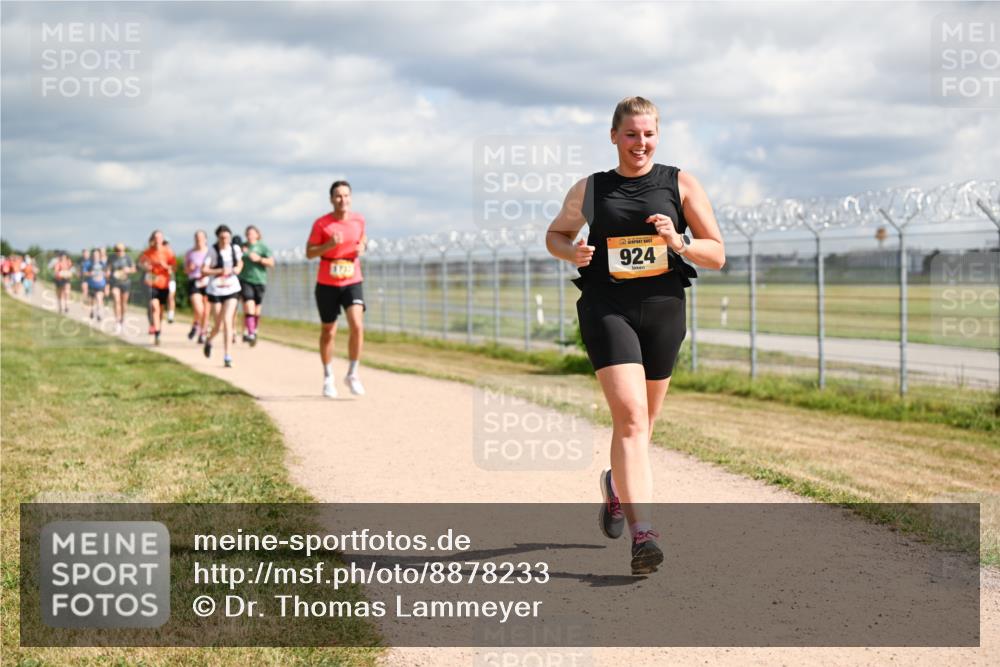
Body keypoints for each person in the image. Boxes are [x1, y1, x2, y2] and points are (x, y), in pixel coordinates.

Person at [545, 96, 725, 575]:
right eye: (630, 134)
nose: (639, 143)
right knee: (629, 418)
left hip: (663, 309)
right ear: (614, 136)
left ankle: (616, 487)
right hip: (607, 307)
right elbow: (555, 234)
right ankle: (644, 534)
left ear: (657, 136)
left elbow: (716, 253)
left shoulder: (680, 183)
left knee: (643, 426)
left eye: (648, 134)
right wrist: (571, 252)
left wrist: (679, 241)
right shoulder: (590, 189)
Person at [306, 180, 368, 398]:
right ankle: (328, 377)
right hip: (327, 283)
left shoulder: (359, 219)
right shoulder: (322, 224)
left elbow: (362, 237)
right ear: (331, 199)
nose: (343, 200)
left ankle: (352, 374)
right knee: (328, 332)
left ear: (351, 197)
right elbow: (309, 253)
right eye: (338, 196)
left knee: (357, 325)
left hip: (352, 280)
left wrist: (363, 246)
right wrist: (328, 245)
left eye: (346, 195)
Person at [202, 225, 244, 368]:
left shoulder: (235, 249)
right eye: (222, 238)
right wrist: (220, 271)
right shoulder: (212, 251)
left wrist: (237, 268)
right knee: (218, 325)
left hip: (232, 289)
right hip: (216, 290)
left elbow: (240, 263)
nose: (225, 240)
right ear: (218, 238)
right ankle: (209, 341)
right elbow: (204, 270)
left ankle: (227, 356)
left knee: (228, 320)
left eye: (227, 238)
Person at [138, 230, 176, 346]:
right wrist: (145, 266)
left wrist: (166, 266)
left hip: (163, 284)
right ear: (152, 239)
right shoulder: (147, 252)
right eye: (155, 238)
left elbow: (174, 268)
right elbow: (140, 264)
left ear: (162, 239)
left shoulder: (168, 252)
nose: (157, 240)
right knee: (154, 307)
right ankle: (157, 334)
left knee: (160, 310)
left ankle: (158, 329)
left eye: (159, 238)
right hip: (151, 283)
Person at [238, 225, 275, 346]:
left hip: (260, 281)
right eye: (247, 234)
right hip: (245, 280)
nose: (249, 236)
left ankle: (254, 329)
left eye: (252, 233)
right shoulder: (242, 246)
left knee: (256, 311)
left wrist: (259, 259)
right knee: (249, 306)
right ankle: (250, 333)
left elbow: (271, 262)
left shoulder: (262, 247)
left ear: (257, 235)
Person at [185, 230, 211, 343]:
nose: (198, 240)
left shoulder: (210, 252)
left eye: (201, 237)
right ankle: (197, 324)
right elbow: (186, 270)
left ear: (205, 239)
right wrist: (190, 268)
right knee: (199, 309)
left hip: (207, 282)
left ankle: (202, 333)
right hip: (194, 281)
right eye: (197, 238)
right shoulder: (190, 253)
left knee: (206, 311)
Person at [109, 243, 136, 334]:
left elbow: (134, 269)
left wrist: (128, 270)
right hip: (115, 283)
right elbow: (108, 270)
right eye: (117, 250)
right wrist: (107, 275)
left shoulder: (128, 258)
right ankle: (117, 322)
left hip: (125, 283)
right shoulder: (111, 258)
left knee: (123, 303)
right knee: (116, 300)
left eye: (120, 250)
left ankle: (122, 321)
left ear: (124, 250)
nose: (119, 251)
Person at [86, 247, 109, 321]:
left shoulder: (103, 264)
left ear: (99, 255)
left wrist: (107, 285)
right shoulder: (89, 264)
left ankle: (99, 314)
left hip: (101, 284)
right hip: (92, 284)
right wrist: (90, 273)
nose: (95, 256)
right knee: (92, 300)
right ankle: (92, 311)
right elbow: (84, 273)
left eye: (97, 255)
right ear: (92, 256)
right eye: (94, 255)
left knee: (99, 299)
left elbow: (107, 274)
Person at [164, 238, 177, 323]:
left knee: (171, 297)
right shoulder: (158, 254)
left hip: (171, 279)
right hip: (160, 280)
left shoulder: (171, 254)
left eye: (166, 244)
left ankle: (171, 315)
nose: (165, 245)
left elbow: (174, 268)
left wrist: (168, 268)